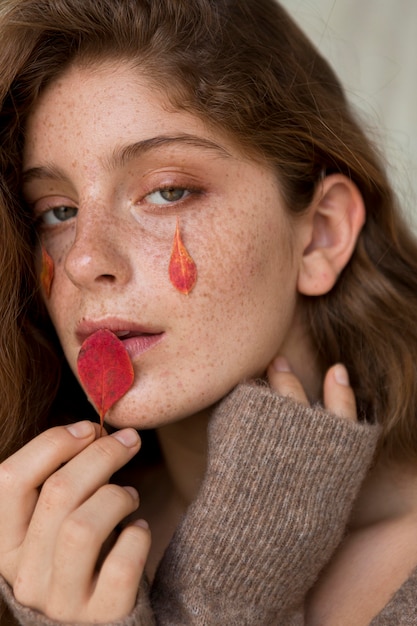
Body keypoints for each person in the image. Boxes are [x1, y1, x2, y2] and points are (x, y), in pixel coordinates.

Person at [0, 0, 416, 623]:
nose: (85, 261)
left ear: (322, 234)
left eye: (167, 191)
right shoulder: (29, 556)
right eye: (56, 210)